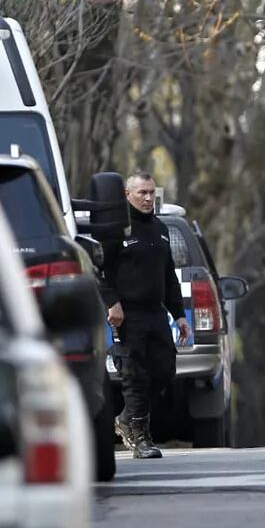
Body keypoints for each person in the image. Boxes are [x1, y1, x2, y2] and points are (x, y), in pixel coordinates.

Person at [100, 170, 192, 459]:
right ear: (128, 195)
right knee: (135, 375)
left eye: (151, 192)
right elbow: (100, 271)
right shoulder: (115, 229)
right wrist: (112, 302)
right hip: (128, 315)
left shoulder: (160, 229)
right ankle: (140, 438)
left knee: (165, 370)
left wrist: (179, 315)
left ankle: (127, 418)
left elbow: (168, 277)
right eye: (142, 193)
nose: (148, 198)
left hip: (156, 314)